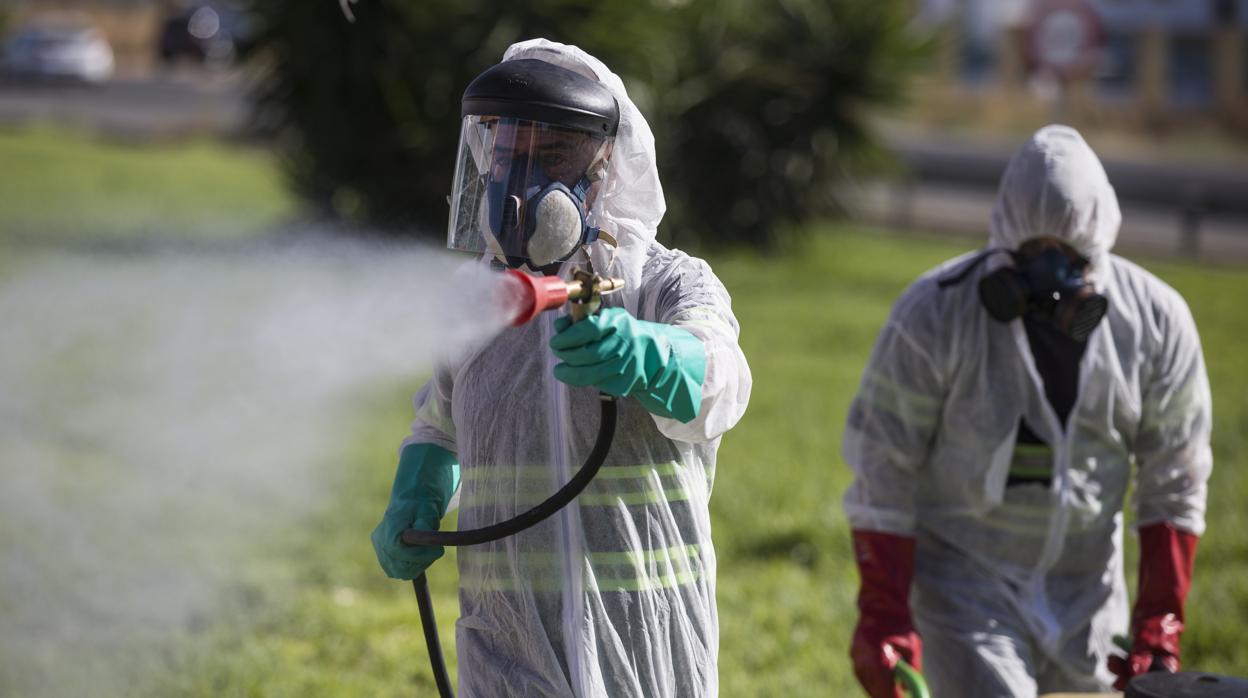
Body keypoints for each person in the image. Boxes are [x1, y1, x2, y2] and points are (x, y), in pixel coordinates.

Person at [371, 39, 751, 697]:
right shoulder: (478, 301)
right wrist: (421, 484)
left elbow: (722, 379)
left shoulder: (665, 286)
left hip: (643, 643)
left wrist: (649, 356)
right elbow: (441, 421)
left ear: (606, 167)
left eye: (551, 155)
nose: (520, 182)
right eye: (506, 153)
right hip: (506, 647)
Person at [842, 125, 1211, 697]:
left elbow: (1175, 479)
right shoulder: (935, 315)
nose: (1048, 273)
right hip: (966, 584)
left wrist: (1158, 625)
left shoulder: (1156, 323)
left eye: (1067, 254)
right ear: (1004, 239)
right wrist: (883, 613)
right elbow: (883, 466)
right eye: (1032, 251)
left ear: (1098, 245)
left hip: (1090, 593)